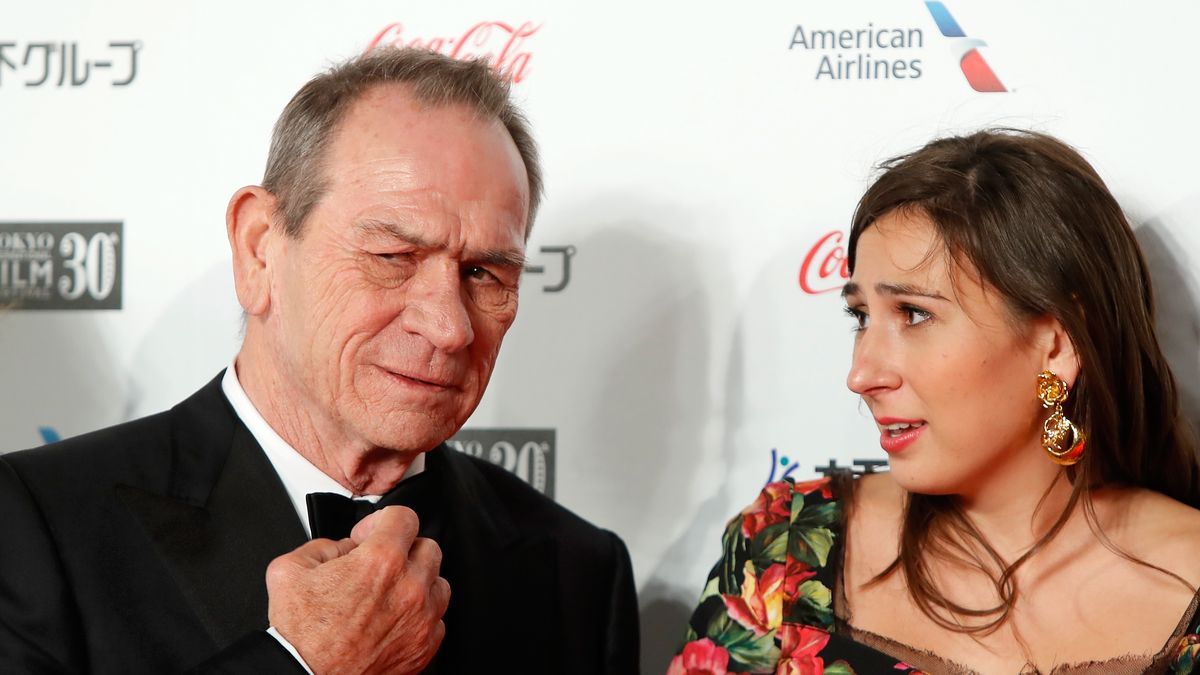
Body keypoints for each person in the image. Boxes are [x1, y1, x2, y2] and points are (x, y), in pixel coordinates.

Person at [0, 48, 639, 674]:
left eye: (482, 273)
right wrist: (304, 663)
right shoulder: (35, 528)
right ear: (260, 251)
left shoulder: (577, 571)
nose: (448, 327)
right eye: (394, 257)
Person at [673, 129, 1200, 674]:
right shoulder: (784, 550)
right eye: (861, 317)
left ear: (1057, 344)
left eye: (914, 314)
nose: (860, 375)